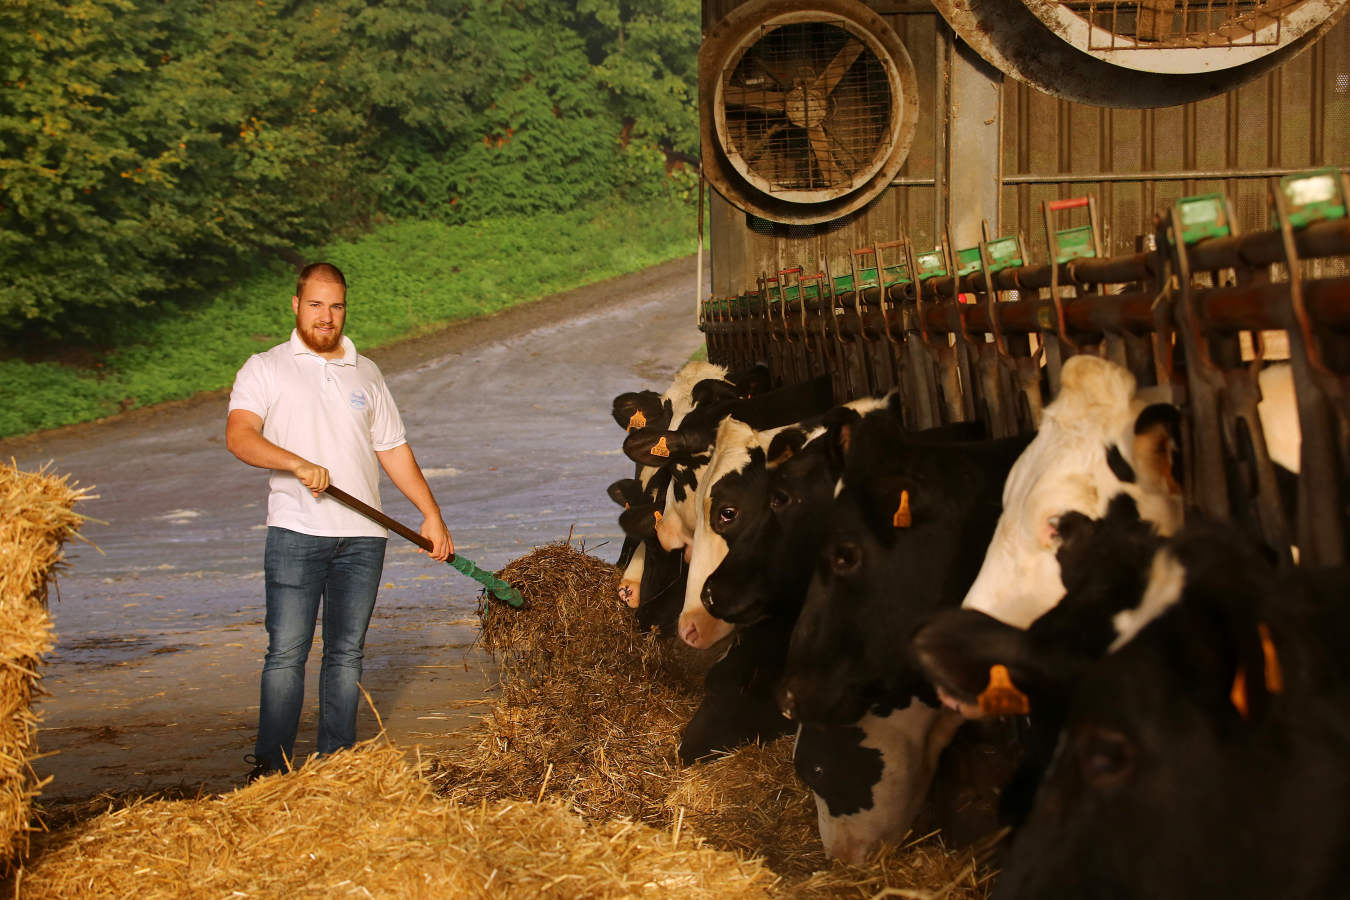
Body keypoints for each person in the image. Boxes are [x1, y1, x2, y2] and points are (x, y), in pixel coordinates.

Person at [225, 261, 452, 782]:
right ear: (296, 305)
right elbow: (240, 437)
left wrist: (431, 514)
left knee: (346, 654)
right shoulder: (265, 367)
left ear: (345, 308)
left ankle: (336, 768)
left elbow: (392, 449)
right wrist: (294, 462)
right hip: (296, 532)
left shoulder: (366, 372)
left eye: (336, 306)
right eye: (315, 304)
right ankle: (271, 769)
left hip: (363, 538)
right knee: (287, 653)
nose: (326, 316)